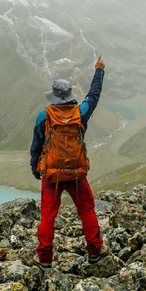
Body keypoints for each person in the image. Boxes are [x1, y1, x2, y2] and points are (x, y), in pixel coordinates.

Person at [30, 54, 107, 272]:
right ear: (70, 95)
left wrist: (36, 168)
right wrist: (99, 71)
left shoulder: (43, 115)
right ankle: (95, 250)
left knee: (48, 215)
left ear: (53, 96)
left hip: (52, 175)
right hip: (76, 173)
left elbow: (36, 146)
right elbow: (94, 96)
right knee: (86, 210)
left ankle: (44, 258)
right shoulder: (80, 112)